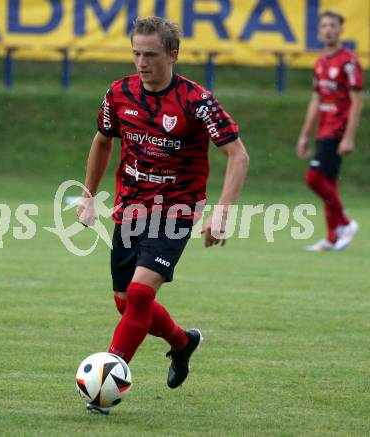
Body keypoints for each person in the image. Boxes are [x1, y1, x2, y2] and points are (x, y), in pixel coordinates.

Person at [77, 16, 249, 414]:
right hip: (130, 208)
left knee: (139, 295)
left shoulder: (196, 101)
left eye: (150, 54)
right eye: (136, 52)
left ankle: (106, 381)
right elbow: (103, 141)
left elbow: (238, 154)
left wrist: (222, 212)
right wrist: (89, 196)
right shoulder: (119, 93)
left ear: (172, 54)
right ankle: (182, 342)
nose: (141, 61)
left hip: (177, 209)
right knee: (126, 303)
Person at [296, 10, 364, 252]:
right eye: (324, 26)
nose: (328, 30)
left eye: (333, 25)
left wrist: (348, 137)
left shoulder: (349, 62)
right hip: (323, 130)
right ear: (319, 31)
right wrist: (305, 134)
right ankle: (332, 237)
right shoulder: (320, 62)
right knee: (328, 183)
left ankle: (345, 222)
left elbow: (357, 101)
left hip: (338, 130)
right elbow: (316, 100)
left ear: (341, 30)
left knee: (313, 178)